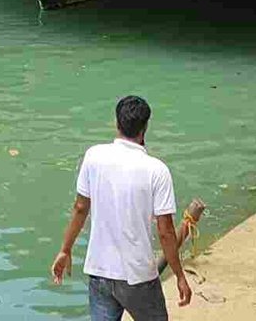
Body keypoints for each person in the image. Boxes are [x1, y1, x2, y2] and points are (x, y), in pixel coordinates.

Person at [53, 96, 193, 319]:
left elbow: (80, 208)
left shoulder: (93, 156)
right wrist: (179, 275)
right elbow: (165, 232)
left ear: (116, 123)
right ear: (145, 128)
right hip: (138, 277)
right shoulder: (157, 170)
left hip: (99, 273)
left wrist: (65, 250)